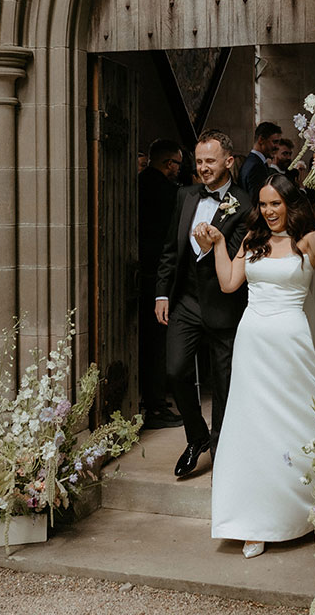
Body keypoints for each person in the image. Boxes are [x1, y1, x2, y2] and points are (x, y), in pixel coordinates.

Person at [200, 154, 315, 558]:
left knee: (302, 417)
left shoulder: (306, 243)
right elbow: (228, 283)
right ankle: (254, 520)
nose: (269, 211)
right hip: (253, 341)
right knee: (252, 428)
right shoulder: (251, 241)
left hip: (291, 340)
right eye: (263, 204)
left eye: (276, 203)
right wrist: (220, 243)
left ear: (290, 205)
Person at [155, 130, 253, 478]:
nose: (203, 167)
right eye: (198, 161)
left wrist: (216, 245)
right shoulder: (184, 195)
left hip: (224, 303)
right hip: (185, 301)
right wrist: (163, 293)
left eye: (210, 161)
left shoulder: (246, 203)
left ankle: (222, 449)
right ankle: (197, 437)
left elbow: (242, 252)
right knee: (175, 371)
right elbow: (171, 247)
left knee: (224, 384)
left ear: (228, 161)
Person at [137, 138, 185, 429]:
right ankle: (154, 405)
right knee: (156, 342)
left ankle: (151, 400)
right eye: (178, 164)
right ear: (169, 163)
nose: (179, 169)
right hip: (158, 273)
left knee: (148, 338)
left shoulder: (138, 182)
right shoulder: (169, 192)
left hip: (141, 269)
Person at [238, 122, 282, 201]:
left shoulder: (255, 162)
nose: (277, 147)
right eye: (275, 142)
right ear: (261, 140)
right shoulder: (255, 166)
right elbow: (256, 200)